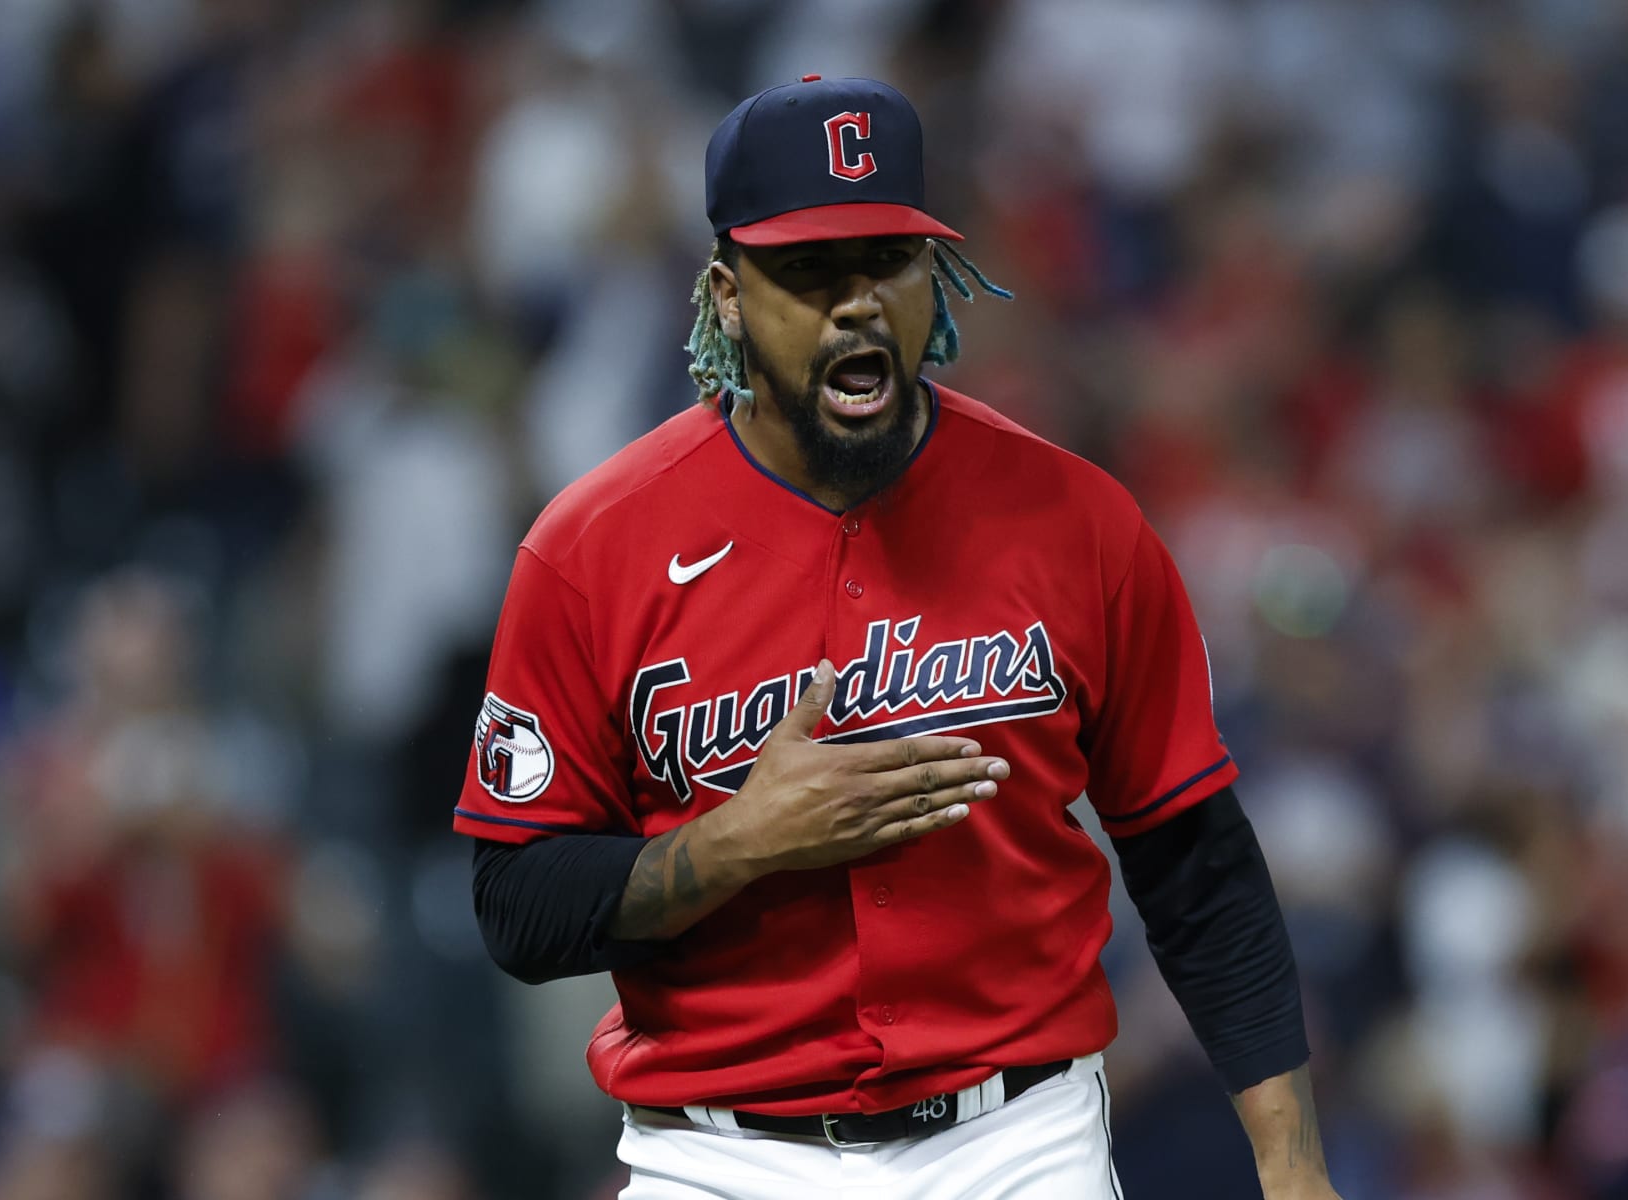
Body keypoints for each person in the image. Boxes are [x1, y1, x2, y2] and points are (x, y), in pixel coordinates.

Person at [460, 75, 1342, 1200]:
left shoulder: (1079, 522)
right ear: (728, 295)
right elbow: (516, 906)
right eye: (810, 271)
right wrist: (739, 843)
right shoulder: (593, 550)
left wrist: (1293, 1163)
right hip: (719, 1157)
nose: (857, 304)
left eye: (888, 260)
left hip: (1017, 1143)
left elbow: (1196, 862)